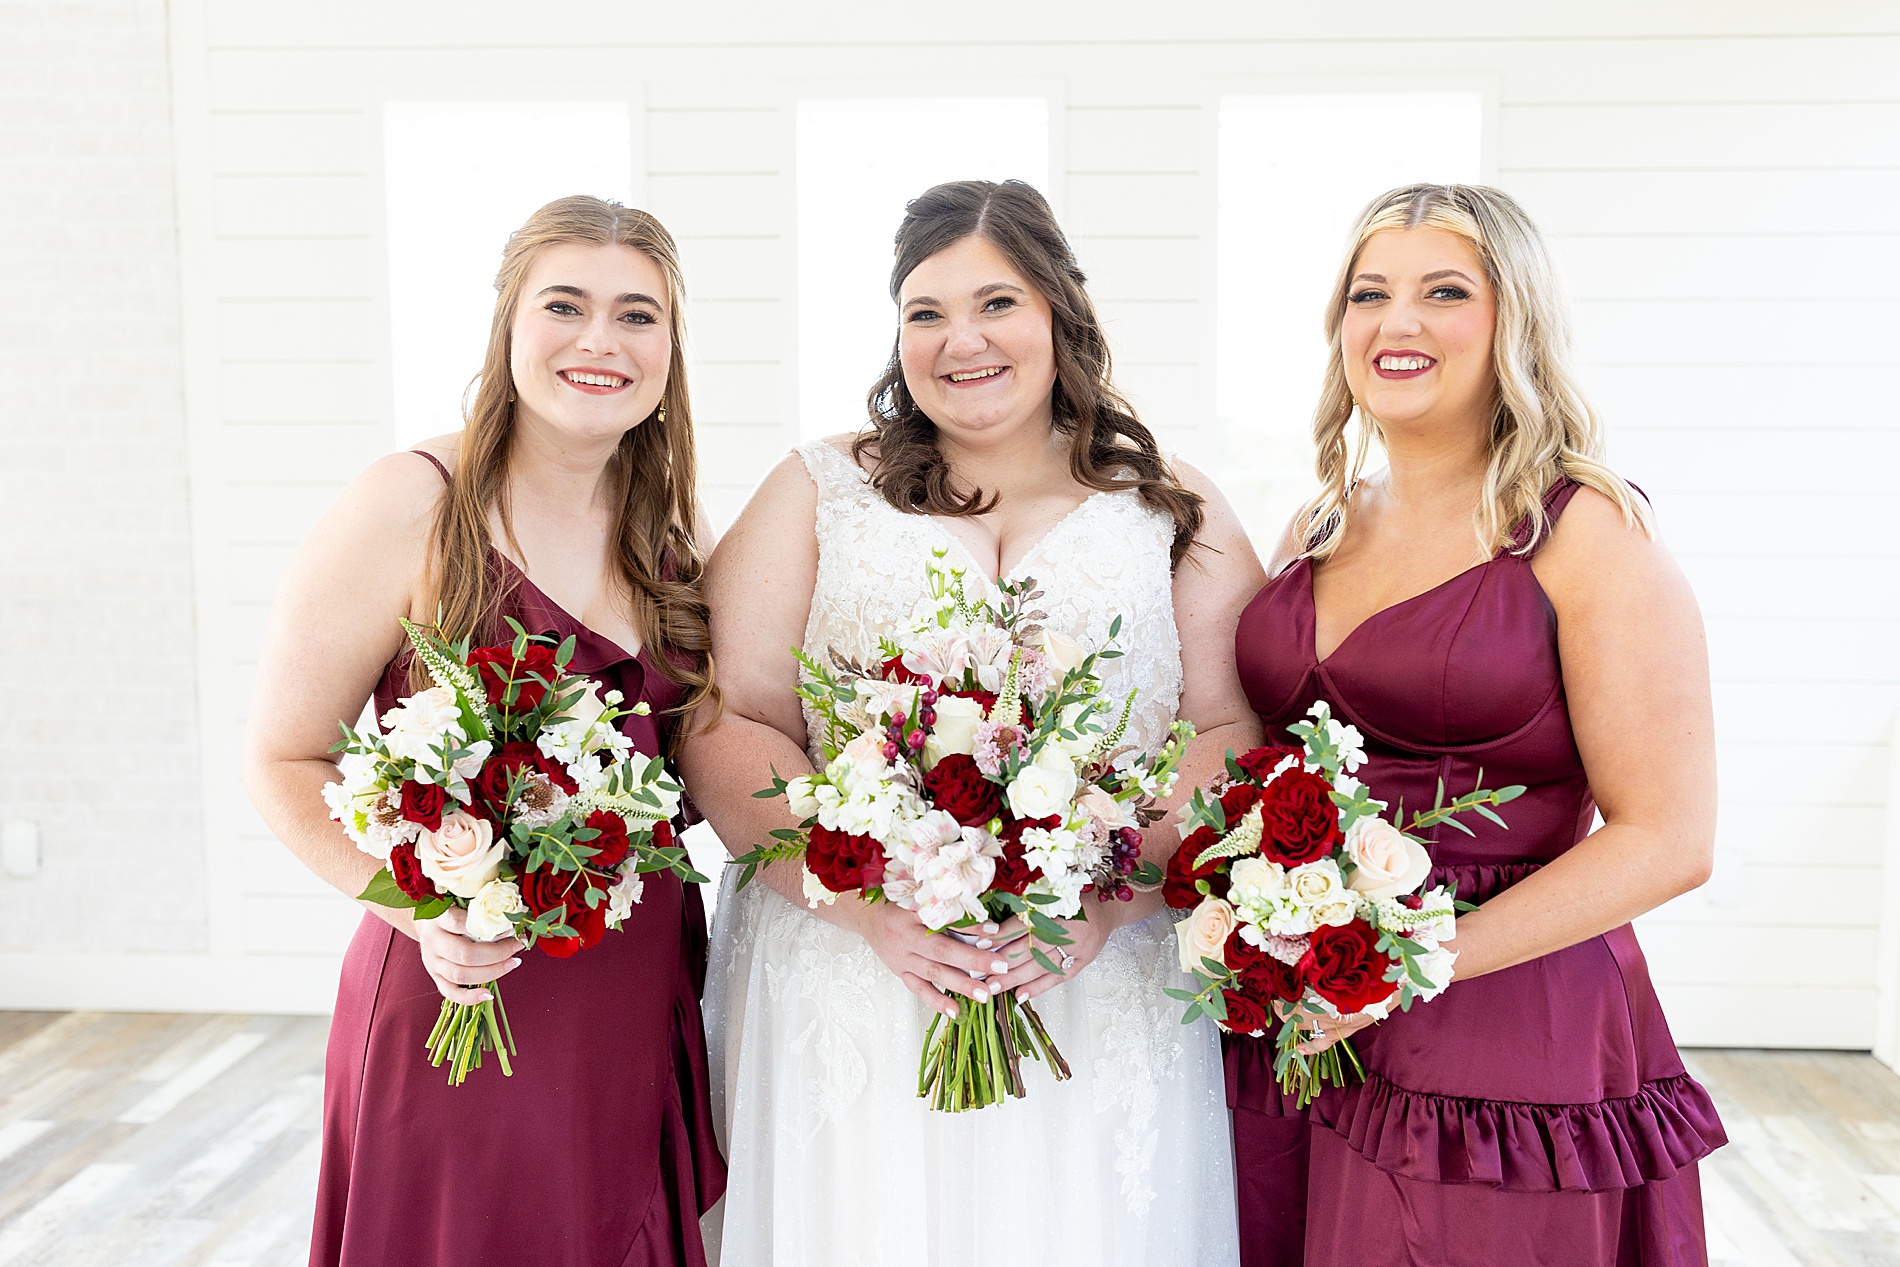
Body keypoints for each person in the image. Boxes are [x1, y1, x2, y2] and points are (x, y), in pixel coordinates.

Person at [681, 179, 1257, 1265]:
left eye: (996, 302)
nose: (960, 341)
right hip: (853, 970)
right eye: (924, 312)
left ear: (1059, 312)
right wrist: (861, 905)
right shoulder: (819, 488)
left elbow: (1227, 726)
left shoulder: (1167, 502)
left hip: (1092, 966)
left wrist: (1112, 902)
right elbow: (730, 715)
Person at [1230, 182, 1727, 1266]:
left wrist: (1407, 963)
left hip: (1502, 1020)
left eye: (1442, 291)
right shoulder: (1315, 524)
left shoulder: (1587, 530)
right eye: (1369, 293)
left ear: (1515, 322)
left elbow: (1669, 837)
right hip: (1300, 1011)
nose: (1394, 322)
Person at [244, 195, 725, 1267]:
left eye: (637, 315)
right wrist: (420, 908)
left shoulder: (674, 538)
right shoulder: (412, 502)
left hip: (633, 993)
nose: (601, 340)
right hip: (466, 986)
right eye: (565, 304)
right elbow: (283, 756)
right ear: (508, 325)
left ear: (671, 350)